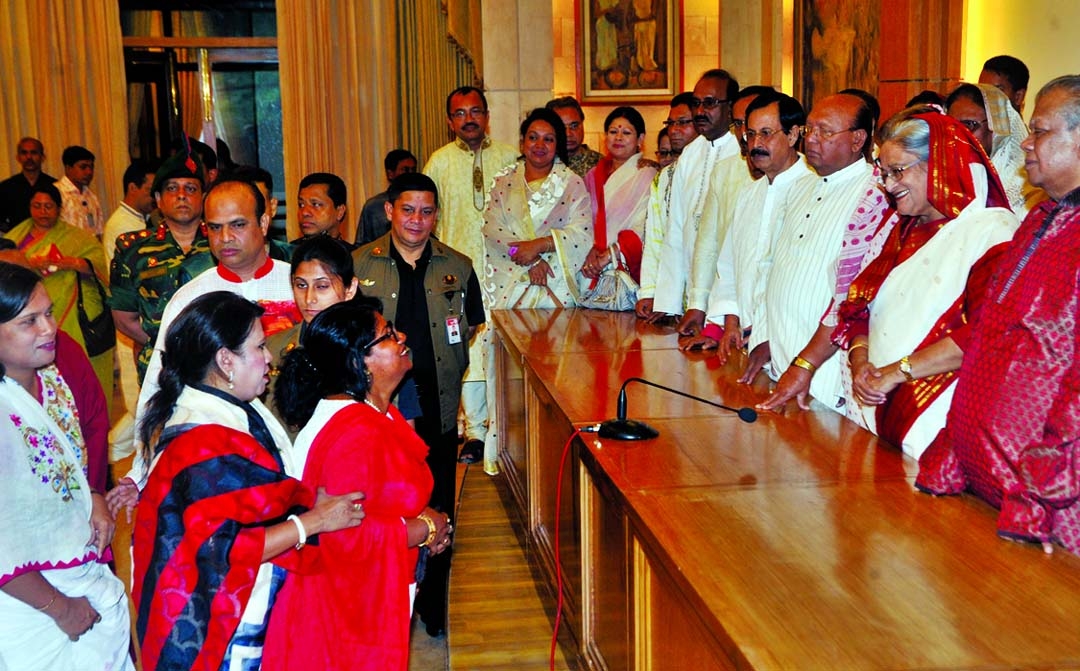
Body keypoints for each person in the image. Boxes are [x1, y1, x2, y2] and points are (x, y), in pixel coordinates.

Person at [133, 291, 366, 671]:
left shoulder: (238, 408)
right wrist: (314, 522)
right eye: (259, 347)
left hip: (248, 604)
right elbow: (224, 550)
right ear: (226, 360)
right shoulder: (199, 444)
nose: (269, 357)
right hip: (218, 628)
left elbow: (262, 498)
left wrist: (308, 503)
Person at [916, 75, 1080, 554]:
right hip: (985, 489)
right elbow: (989, 335)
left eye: (1041, 131)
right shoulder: (1040, 218)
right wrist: (951, 457)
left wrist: (1038, 499)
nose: (1026, 142)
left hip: (1044, 516)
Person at [265, 300, 451, 670]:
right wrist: (426, 528)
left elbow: (382, 501)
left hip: (368, 597)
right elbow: (342, 535)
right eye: (388, 335)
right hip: (342, 615)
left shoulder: (379, 413)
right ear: (359, 362)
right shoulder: (355, 433)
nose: (402, 337)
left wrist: (426, 522)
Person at [830, 107, 1019, 459]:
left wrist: (897, 372)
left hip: (942, 426)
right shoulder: (903, 232)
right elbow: (861, 311)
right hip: (878, 415)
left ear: (941, 164)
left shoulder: (991, 232)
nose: (889, 186)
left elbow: (989, 332)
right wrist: (861, 361)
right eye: (884, 174)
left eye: (898, 171)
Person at [352, 171, 484, 637]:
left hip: (437, 408)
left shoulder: (458, 266)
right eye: (407, 210)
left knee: (439, 504)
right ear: (390, 210)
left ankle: (433, 607)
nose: (416, 220)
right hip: (378, 413)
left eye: (427, 211)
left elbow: (469, 326)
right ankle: (388, 606)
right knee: (386, 506)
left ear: (436, 216)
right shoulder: (359, 264)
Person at [0, 262, 133, 671]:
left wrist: (93, 495)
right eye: (29, 321)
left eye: (49, 313)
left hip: (81, 574)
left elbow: (69, 462)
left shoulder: (52, 378)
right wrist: (60, 608)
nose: (49, 329)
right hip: (29, 604)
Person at [753, 91, 891, 414]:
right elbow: (773, 266)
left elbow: (851, 296)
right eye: (810, 129)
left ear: (857, 139)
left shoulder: (874, 194)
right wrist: (764, 337)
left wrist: (806, 363)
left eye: (825, 132)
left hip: (826, 375)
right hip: (783, 359)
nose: (811, 139)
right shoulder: (800, 186)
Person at [424, 86, 517, 468]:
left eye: (475, 111)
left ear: (487, 116)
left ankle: (505, 429)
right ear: (450, 121)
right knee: (466, 349)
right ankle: (477, 432)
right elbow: (427, 220)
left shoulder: (510, 158)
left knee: (501, 347)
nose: (469, 119)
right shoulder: (439, 162)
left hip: (505, 271)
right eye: (460, 113)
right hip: (455, 275)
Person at [685, 91, 812, 353]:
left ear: (792, 135)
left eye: (766, 133)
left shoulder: (813, 191)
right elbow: (729, 266)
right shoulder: (749, 195)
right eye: (750, 134)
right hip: (745, 339)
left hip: (792, 339)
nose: (755, 143)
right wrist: (730, 324)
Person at [266, 235, 421, 429]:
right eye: (301, 285)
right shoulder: (274, 348)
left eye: (322, 286)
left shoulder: (383, 351)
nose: (309, 298)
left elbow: (405, 431)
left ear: (350, 289)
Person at [4, 183, 114, 410]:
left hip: (70, 318)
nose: (42, 212)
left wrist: (69, 262)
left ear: (59, 209)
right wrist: (31, 263)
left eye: (48, 206)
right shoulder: (17, 235)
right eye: (37, 206)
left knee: (74, 373)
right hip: (23, 318)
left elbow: (98, 265)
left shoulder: (77, 238)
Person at [651, 69, 744, 324]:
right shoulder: (690, 154)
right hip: (691, 292)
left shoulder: (743, 153)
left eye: (710, 103)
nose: (700, 111)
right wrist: (668, 302)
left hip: (730, 291)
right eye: (696, 103)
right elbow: (675, 228)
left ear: (730, 107)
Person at [482, 107, 593, 310]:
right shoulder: (503, 181)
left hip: (555, 283)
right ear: (522, 142)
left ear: (557, 145)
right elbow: (493, 231)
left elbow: (582, 234)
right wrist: (531, 261)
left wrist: (541, 245)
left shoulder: (571, 183)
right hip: (510, 283)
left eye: (548, 139)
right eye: (533, 137)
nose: (540, 145)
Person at [636, 91, 698, 322]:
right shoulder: (663, 178)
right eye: (670, 123)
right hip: (670, 296)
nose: (674, 130)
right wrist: (650, 291)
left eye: (683, 123)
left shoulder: (717, 170)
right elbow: (654, 238)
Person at [580, 106, 657, 291]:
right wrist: (590, 248)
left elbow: (644, 226)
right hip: (588, 264)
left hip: (624, 266)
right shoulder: (592, 176)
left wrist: (610, 254)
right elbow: (580, 220)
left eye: (626, 133)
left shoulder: (647, 175)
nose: (619, 137)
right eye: (613, 132)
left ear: (640, 139)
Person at [946, 82, 1041, 215]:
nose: (957, 136)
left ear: (996, 128)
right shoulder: (943, 181)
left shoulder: (1029, 193)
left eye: (968, 125)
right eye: (950, 127)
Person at [358, 149, 418, 245]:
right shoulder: (374, 206)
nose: (411, 174)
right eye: (405, 170)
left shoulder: (421, 202)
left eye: (413, 170)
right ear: (390, 174)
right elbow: (362, 244)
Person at [102, 160, 156, 266]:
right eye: (150, 190)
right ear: (132, 188)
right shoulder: (121, 224)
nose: (154, 197)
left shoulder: (145, 217)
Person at [0, 137, 56, 233]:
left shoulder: (55, 186)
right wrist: (14, 232)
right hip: (18, 240)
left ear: (43, 157)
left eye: (34, 153)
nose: (29, 157)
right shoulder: (6, 187)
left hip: (50, 237)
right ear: (18, 157)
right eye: (24, 153)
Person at [296, 172, 355, 249]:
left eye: (316, 204)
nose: (304, 212)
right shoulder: (287, 253)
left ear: (340, 212)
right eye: (301, 205)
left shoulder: (356, 255)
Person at [54, 146, 104, 238]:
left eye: (91, 167)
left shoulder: (91, 197)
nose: (89, 172)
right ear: (68, 168)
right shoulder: (55, 193)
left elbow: (98, 234)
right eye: (83, 167)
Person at [546, 96, 602, 177]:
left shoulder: (601, 164)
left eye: (574, 126)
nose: (568, 134)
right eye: (561, 127)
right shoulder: (540, 163)